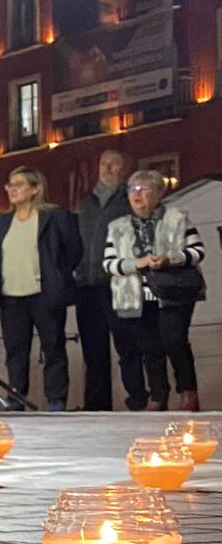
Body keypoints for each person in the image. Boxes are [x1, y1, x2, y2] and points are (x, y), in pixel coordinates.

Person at [105, 167, 206, 411]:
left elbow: (197, 251)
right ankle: (158, 396)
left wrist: (170, 258)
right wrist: (135, 264)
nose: (136, 195)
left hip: (174, 292)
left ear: (159, 192)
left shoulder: (177, 218)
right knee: (149, 347)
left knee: (175, 340)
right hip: (137, 295)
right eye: (132, 189)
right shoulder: (118, 226)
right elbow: (108, 263)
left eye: (143, 189)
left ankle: (187, 392)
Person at [0, 166, 80, 410]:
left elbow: (73, 250)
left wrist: (57, 276)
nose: (12, 190)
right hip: (11, 296)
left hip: (45, 293)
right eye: (10, 185)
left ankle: (56, 399)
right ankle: (17, 397)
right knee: (15, 351)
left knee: (53, 347)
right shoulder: (2, 222)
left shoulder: (54, 216)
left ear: (35, 188)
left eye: (19, 184)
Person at [72, 149, 144, 411]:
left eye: (115, 165)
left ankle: (138, 399)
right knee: (93, 350)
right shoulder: (86, 203)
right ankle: (97, 405)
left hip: (119, 283)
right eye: (104, 163)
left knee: (128, 346)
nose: (108, 168)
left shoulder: (129, 201)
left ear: (125, 170)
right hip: (87, 285)